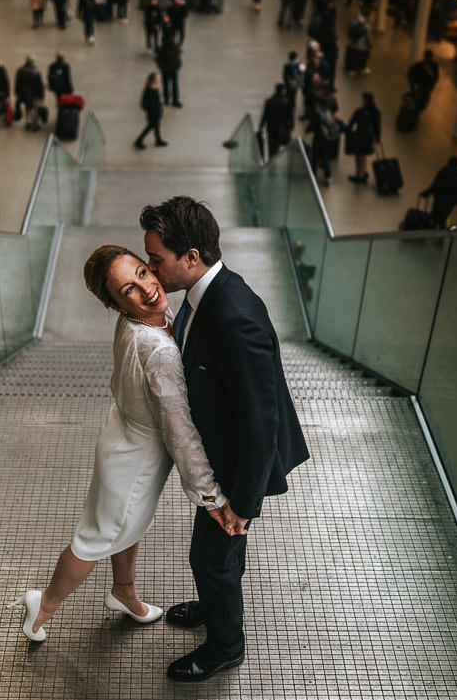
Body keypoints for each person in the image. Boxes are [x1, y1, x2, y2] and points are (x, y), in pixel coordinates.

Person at [6, 245, 227, 641]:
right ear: (116, 304)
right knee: (95, 537)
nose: (146, 289)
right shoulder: (157, 348)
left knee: (125, 525)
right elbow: (179, 429)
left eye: (143, 273)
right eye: (128, 289)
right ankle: (43, 606)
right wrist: (209, 495)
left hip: (122, 433)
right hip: (137, 456)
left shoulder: (143, 321)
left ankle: (124, 592)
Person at [139, 197, 309, 681]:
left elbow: (262, 422)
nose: (152, 270)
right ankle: (215, 606)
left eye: (157, 260)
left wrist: (243, 502)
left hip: (238, 469)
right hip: (219, 458)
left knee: (209, 556)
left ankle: (226, 645)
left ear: (191, 257)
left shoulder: (234, 315)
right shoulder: (201, 296)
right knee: (218, 557)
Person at [345, 92, 381, 184]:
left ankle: (358, 175)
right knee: (364, 155)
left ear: (365, 100)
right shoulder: (376, 111)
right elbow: (377, 126)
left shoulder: (360, 111)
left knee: (358, 155)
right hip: (369, 136)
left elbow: (351, 123)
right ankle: (364, 172)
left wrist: (348, 131)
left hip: (359, 135)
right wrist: (377, 137)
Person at [420, 157, 457, 228]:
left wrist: (426, 193)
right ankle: (442, 229)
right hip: (450, 201)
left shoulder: (443, 172)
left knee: (435, 216)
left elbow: (435, 185)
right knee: (444, 216)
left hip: (439, 199)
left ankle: (433, 228)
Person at [260, 83, 295, 157]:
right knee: (283, 147)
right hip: (283, 129)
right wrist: (291, 126)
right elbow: (290, 116)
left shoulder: (269, 101)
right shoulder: (287, 102)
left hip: (271, 128)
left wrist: (261, 126)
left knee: (272, 149)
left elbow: (265, 115)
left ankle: (272, 164)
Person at [134, 72, 167, 150]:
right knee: (150, 127)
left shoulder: (154, 88)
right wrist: (154, 110)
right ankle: (138, 141)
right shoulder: (149, 90)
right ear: (153, 79)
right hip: (153, 113)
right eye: (157, 77)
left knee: (156, 127)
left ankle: (158, 140)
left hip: (156, 112)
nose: (159, 79)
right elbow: (146, 104)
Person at [14, 55, 46, 131]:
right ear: (33, 61)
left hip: (24, 94)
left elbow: (17, 84)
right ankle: (35, 125)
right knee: (35, 109)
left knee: (28, 107)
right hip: (35, 94)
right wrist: (42, 95)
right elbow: (40, 85)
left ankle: (28, 122)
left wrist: (18, 94)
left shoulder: (20, 70)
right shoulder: (36, 71)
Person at [156, 32, 183, 109]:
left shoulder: (173, 47)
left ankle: (169, 99)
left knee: (171, 85)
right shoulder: (165, 48)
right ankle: (170, 99)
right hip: (168, 69)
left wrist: (178, 65)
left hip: (171, 68)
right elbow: (159, 59)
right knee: (169, 85)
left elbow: (177, 56)